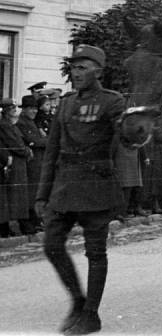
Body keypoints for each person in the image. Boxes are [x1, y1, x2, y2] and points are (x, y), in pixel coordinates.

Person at [35, 44, 126, 335]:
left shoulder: (113, 102)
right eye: (73, 67)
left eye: (82, 67)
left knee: (95, 252)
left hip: (96, 185)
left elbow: (124, 137)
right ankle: (77, 300)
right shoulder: (66, 102)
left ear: (98, 71)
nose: (75, 73)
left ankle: (91, 315)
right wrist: (41, 194)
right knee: (51, 245)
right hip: (64, 187)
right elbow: (51, 152)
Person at [0, 98, 33, 236]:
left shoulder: (10, 124)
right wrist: (26, 151)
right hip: (15, 164)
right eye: (12, 109)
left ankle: (12, 226)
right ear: (6, 111)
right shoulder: (5, 125)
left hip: (18, 163)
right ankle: (18, 226)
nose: (15, 110)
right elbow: (14, 143)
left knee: (17, 197)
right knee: (16, 197)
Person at [17, 95, 47, 231]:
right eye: (30, 109)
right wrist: (50, 142)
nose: (34, 111)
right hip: (31, 163)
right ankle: (29, 223)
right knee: (30, 193)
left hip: (38, 162)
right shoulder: (22, 123)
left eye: (35, 108)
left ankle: (36, 221)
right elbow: (33, 140)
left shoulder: (32, 122)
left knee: (35, 192)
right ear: (24, 110)